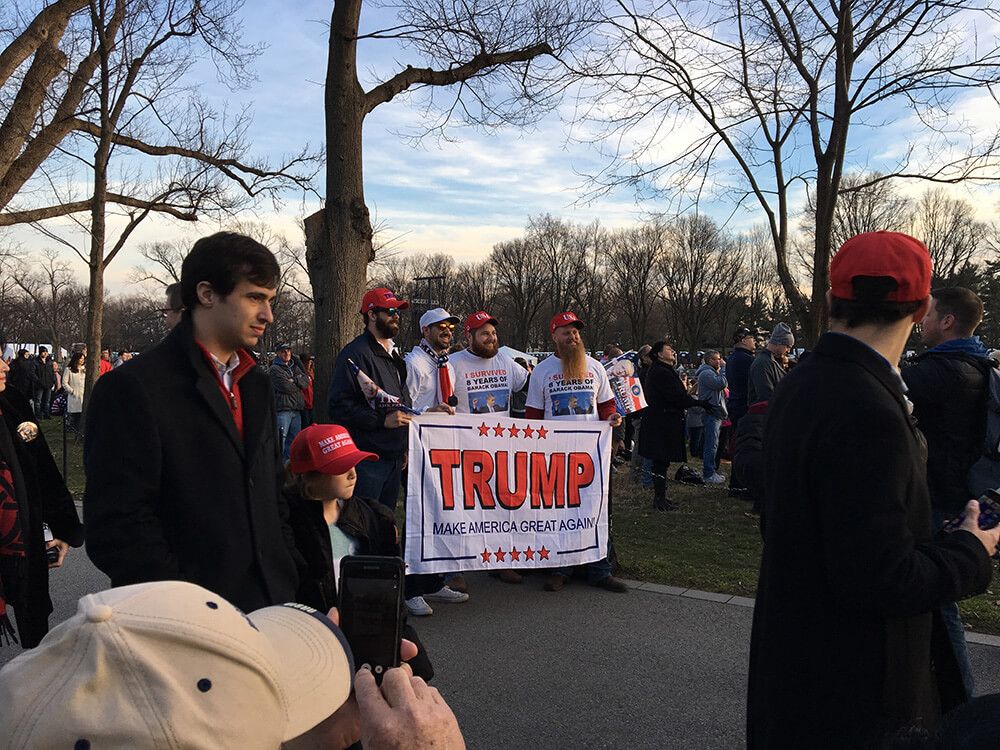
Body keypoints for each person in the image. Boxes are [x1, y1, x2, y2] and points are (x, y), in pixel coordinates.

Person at [747, 231, 999, 748]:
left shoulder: (803, 381)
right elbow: (882, 579)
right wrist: (974, 549)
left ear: (834, 300)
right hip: (852, 692)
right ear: (920, 308)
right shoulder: (867, 407)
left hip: (794, 657)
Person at [83, 232, 300, 613]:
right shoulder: (132, 388)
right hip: (181, 623)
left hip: (268, 607)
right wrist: (188, 607)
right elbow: (119, 525)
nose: (268, 315)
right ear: (206, 293)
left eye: (270, 300)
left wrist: (289, 575)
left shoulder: (257, 386)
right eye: (254, 297)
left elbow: (271, 494)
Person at [284, 423, 434, 681]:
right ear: (310, 478)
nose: (353, 473)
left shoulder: (375, 518)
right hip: (313, 645)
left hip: (371, 636)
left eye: (354, 463)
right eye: (339, 467)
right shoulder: (286, 527)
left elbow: (391, 589)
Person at [902, 286, 996, 698]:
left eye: (928, 313)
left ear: (948, 321)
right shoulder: (981, 366)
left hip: (938, 497)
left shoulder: (938, 373)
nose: (920, 320)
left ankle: (960, 702)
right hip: (965, 493)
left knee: (941, 603)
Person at [525, 311, 628, 593]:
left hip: (591, 455)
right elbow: (533, 415)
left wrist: (613, 418)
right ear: (554, 336)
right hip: (555, 456)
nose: (573, 337)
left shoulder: (595, 367)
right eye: (566, 332)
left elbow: (607, 405)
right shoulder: (543, 372)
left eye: (576, 332)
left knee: (596, 509)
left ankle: (599, 569)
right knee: (558, 512)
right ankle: (560, 568)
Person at [0, 340, 84, 649]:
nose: (5, 366)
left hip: (20, 550)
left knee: (34, 641)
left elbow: (42, 469)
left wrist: (60, 528)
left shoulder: (12, 403)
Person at [450, 310, 529, 584]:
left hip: (500, 451)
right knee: (461, 510)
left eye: (493, 333)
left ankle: (498, 560)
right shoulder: (452, 364)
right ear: (469, 336)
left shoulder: (506, 361)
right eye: (484, 333)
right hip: (464, 451)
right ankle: (455, 569)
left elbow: (527, 382)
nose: (491, 338)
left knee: (500, 509)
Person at [328, 288, 413, 512]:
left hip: (394, 457)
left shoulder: (394, 354)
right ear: (372, 315)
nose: (396, 316)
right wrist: (380, 421)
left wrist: (403, 445)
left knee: (385, 524)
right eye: (391, 311)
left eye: (398, 311)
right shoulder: (355, 353)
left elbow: (400, 400)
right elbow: (337, 406)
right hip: (369, 460)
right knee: (364, 526)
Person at [638, 341, 711, 511]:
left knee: (661, 462)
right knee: (660, 461)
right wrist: (699, 403)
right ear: (658, 354)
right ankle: (659, 498)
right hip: (661, 422)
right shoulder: (660, 372)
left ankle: (661, 496)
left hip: (663, 420)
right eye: (668, 349)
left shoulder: (662, 370)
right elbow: (677, 397)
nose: (672, 351)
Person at [404, 307, 459, 415]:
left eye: (451, 327)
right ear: (426, 330)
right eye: (442, 326)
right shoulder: (412, 363)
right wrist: (429, 412)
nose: (448, 332)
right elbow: (402, 407)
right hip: (421, 430)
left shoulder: (448, 365)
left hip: (445, 430)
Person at [271, 343, 310, 460]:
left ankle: (288, 467)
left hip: (297, 409)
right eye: (283, 351)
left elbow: (306, 383)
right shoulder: (275, 369)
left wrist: (294, 380)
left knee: (293, 442)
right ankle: (279, 467)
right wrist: (298, 382)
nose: (287, 353)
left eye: (288, 351)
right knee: (281, 442)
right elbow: (285, 387)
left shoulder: (295, 366)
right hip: (283, 410)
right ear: (278, 353)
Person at [696, 350, 727, 484]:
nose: (719, 361)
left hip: (714, 411)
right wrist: (725, 369)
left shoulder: (710, 372)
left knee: (713, 442)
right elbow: (721, 383)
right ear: (709, 360)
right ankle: (709, 473)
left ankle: (712, 470)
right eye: (716, 359)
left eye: (719, 359)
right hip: (711, 412)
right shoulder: (707, 374)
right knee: (711, 444)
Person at [748, 322, 793, 404]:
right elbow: (765, 397)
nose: (788, 351)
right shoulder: (762, 364)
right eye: (787, 346)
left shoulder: (771, 361)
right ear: (779, 343)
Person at [62, 351, 86, 435]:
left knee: (82, 414)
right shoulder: (69, 369)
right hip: (74, 395)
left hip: (83, 394)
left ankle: (80, 430)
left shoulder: (84, 369)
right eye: (81, 358)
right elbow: (64, 383)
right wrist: (72, 391)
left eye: (83, 359)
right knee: (75, 414)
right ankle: (74, 429)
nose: (82, 360)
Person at [30, 346, 55, 420]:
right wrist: (38, 381)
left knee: (47, 401)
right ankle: (38, 415)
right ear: (40, 353)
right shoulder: (35, 362)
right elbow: (32, 373)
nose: (46, 353)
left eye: (46, 352)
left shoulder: (49, 361)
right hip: (39, 384)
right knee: (38, 401)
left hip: (48, 383)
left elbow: (52, 372)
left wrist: (53, 381)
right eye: (44, 352)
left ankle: (46, 414)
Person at [299, 352, 315, 427]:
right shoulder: (300, 373)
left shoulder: (312, 372)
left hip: (312, 403)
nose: (309, 363)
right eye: (307, 361)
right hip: (304, 405)